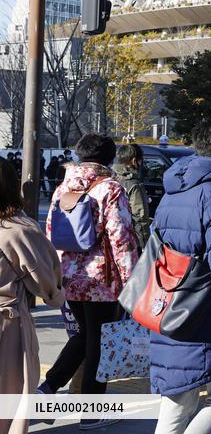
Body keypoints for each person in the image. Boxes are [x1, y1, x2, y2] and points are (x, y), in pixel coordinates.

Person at [149, 116, 211, 434]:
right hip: (203, 315)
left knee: (176, 405)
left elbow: (155, 248)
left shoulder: (171, 189)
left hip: (168, 308)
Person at [40, 133, 139, 429]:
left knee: (84, 336)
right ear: (109, 158)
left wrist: (58, 273)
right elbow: (121, 238)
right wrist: (132, 281)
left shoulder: (63, 187)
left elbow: (50, 233)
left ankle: (46, 389)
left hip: (69, 276)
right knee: (99, 343)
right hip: (101, 280)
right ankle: (92, 412)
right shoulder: (110, 188)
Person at [0, 157, 64, 434]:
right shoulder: (17, 229)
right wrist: (56, 297)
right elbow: (47, 283)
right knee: (10, 399)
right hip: (7, 326)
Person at [114, 143, 152, 248]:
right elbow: (140, 217)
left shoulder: (110, 179)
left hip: (113, 236)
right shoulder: (134, 184)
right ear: (134, 161)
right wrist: (145, 245)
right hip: (131, 240)